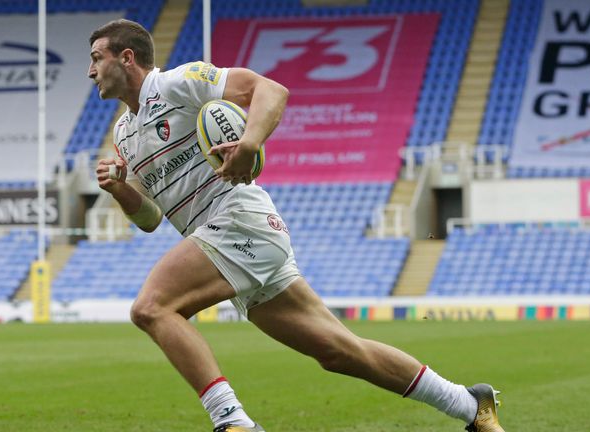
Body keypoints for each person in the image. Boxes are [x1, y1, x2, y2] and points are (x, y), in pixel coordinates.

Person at [89, 18, 506, 432]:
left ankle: (233, 423)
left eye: (96, 58)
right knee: (340, 352)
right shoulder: (124, 134)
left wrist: (250, 143)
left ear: (127, 58)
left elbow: (270, 90)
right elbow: (149, 219)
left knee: (152, 307)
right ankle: (471, 406)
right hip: (225, 237)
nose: (91, 71)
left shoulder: (178, 83)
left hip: (239, 221)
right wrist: (120, 190)